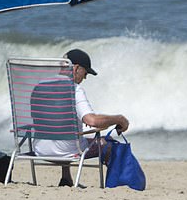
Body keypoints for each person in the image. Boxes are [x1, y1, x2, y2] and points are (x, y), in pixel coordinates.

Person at [33, 49, 130, 187]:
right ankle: (118, 183)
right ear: (76, 68)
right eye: (85, 73)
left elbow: (41, 120)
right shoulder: (75, 90)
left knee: (64, 132)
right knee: (107, 144)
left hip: (40, 149)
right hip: (67, 152)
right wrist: (119, 119)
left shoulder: (39, 86)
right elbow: (92, 121)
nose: (85, 78)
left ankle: (66, 179)